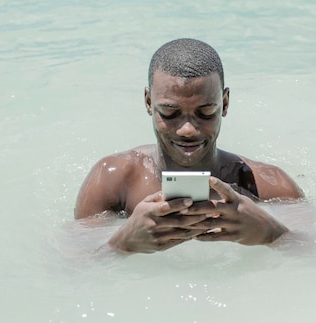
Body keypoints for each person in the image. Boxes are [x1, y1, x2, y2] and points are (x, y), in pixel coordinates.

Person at [74, 38, 304, 254]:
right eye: (170, 113)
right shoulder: (114, 179)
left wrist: (271, 233)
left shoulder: (267, 185)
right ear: (148, 102)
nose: (188, 130)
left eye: (205, 113)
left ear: (224, 104)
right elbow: (70, 267)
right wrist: (123, 242)